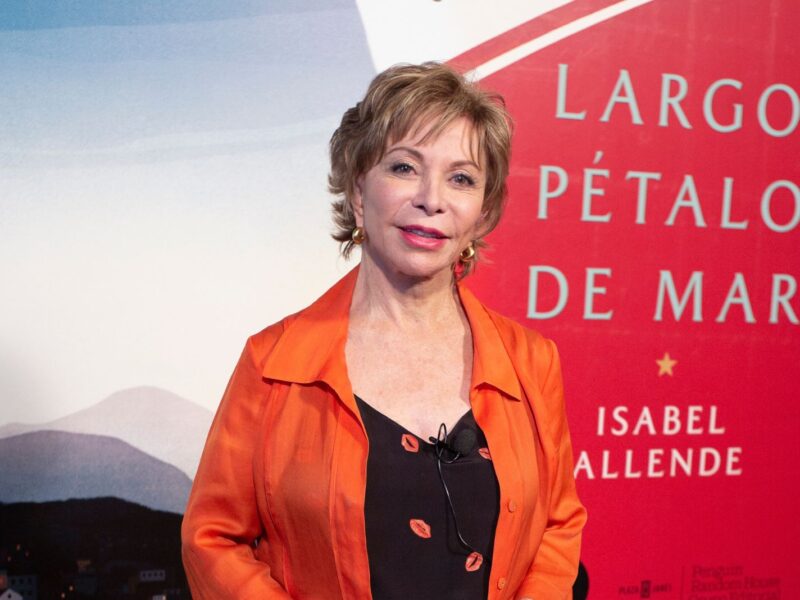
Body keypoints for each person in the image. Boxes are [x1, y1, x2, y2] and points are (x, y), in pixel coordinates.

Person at [181, 62, 587, 600]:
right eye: (403, 168)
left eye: (461, 178)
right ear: (356, 190)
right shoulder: (274, 363)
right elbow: (213, 540)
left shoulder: (531, 360)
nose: (431, 198)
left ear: (483, 213)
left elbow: (558, 525)